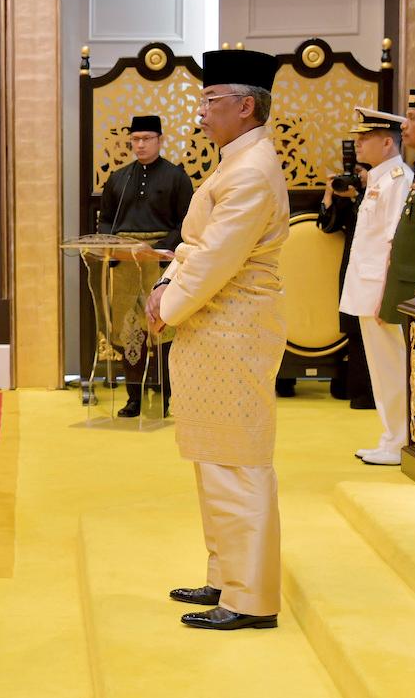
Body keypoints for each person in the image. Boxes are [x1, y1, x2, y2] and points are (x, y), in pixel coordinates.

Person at [145, 49, 287, 631]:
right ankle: (227, 574)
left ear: (246, 106)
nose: (201, 111)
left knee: (237, 458)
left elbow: (216, 260)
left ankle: (251, 598)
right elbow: (198, 250)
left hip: (235, 328)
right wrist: (167, 280)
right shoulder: (237, 160)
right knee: (214, 454)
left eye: (211, 100)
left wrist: (168, 302)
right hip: (216, 328)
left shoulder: (251, 170)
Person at [91, 114, 193, 417]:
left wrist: (160, 250)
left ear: (160, 140)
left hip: (160, 264)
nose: (140, 145)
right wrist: (113, 247)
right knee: (129, 329)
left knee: (162, 329)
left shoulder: (176, 177)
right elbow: (107, 219)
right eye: (135, 140)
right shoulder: (118, 178)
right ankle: (133, 398)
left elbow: (186, 222)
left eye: (147, 139)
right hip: (125, 265)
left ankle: (164, 397)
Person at [337, 108, 412, 466]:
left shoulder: (397, 178)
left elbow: (394, 241)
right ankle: (390, 437)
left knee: (392, 369)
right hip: (368, 287)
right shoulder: (378, 178)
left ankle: (400, 441)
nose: (358, 143)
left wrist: (387, 297)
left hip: (380, 290)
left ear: (387, 143)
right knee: (381, 371)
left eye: (365, 138)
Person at [377, 89, 415, 455]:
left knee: (410, 366)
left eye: (413, 118)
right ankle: (404, 437)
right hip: (405, 280)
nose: (405, 125)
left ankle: (409, 437)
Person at [318, 163, 375, 409]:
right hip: (352, 268)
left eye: (362, 171)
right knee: (354, 330)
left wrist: (359, 196)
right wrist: (330, 193)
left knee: (373, 334)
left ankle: (372, 396)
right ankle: (359, 394)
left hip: (373, 270)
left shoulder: (379, 191)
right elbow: (326, 226)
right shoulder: (349, 197)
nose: (358, 176)